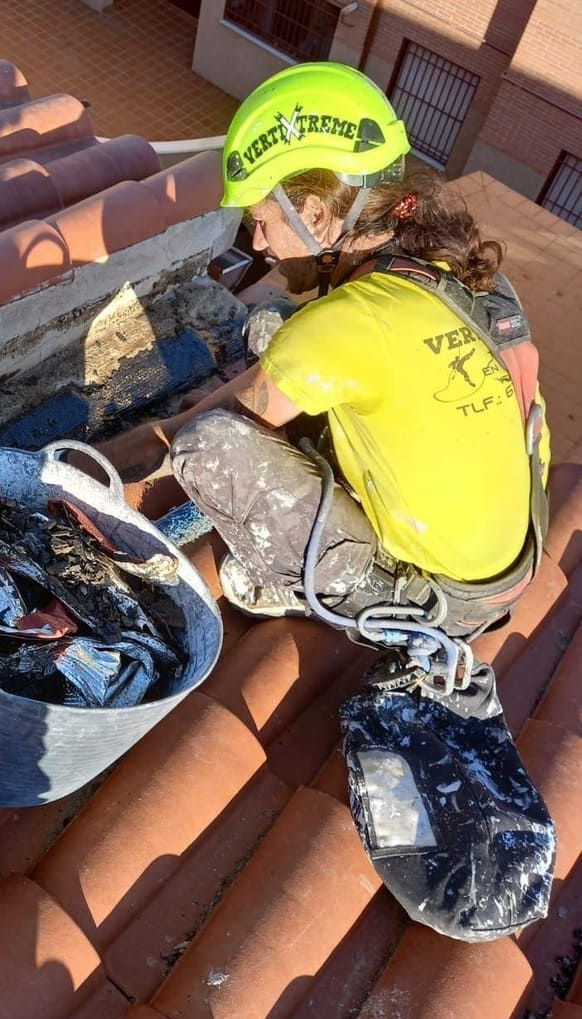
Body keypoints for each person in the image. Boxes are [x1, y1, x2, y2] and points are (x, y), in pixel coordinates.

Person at [161, 62, 547, 640]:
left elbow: (191, 430)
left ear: (315, 214)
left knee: (211, 446)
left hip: (438, 599)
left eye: (261, 221)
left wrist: (92, 479)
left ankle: (350, 597)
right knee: (274, 335)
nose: (257, 243)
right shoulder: (449, 274)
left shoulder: (352, 319)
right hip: (509, 560)